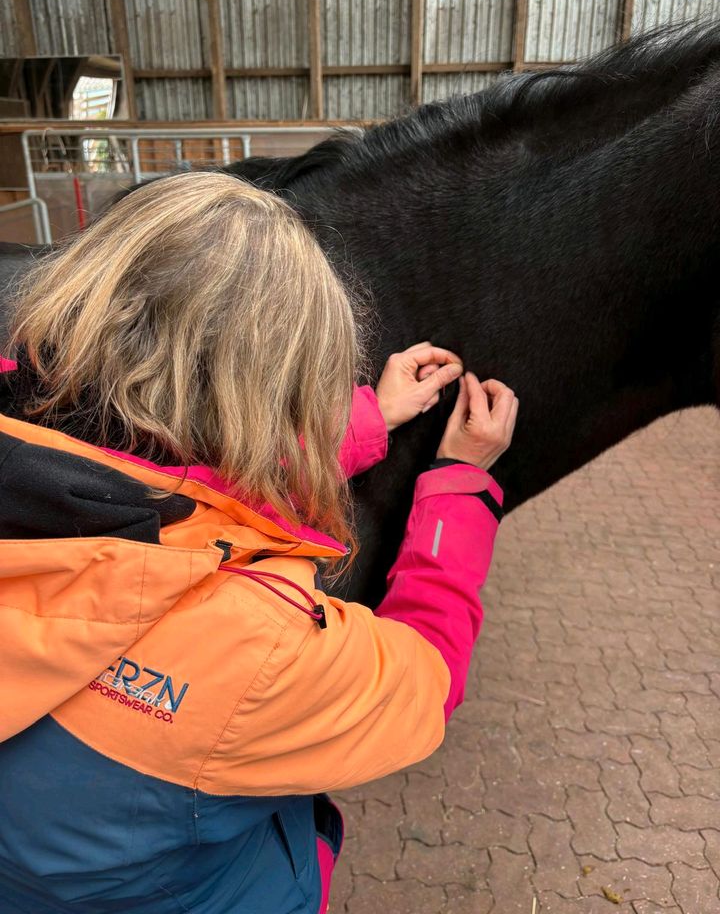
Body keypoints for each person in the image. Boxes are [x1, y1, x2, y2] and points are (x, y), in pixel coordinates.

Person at [0, 172, 518, 914]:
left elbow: (152, 491)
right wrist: (460, 484)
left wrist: (370, 418)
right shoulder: (256, 653)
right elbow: (426, 677)